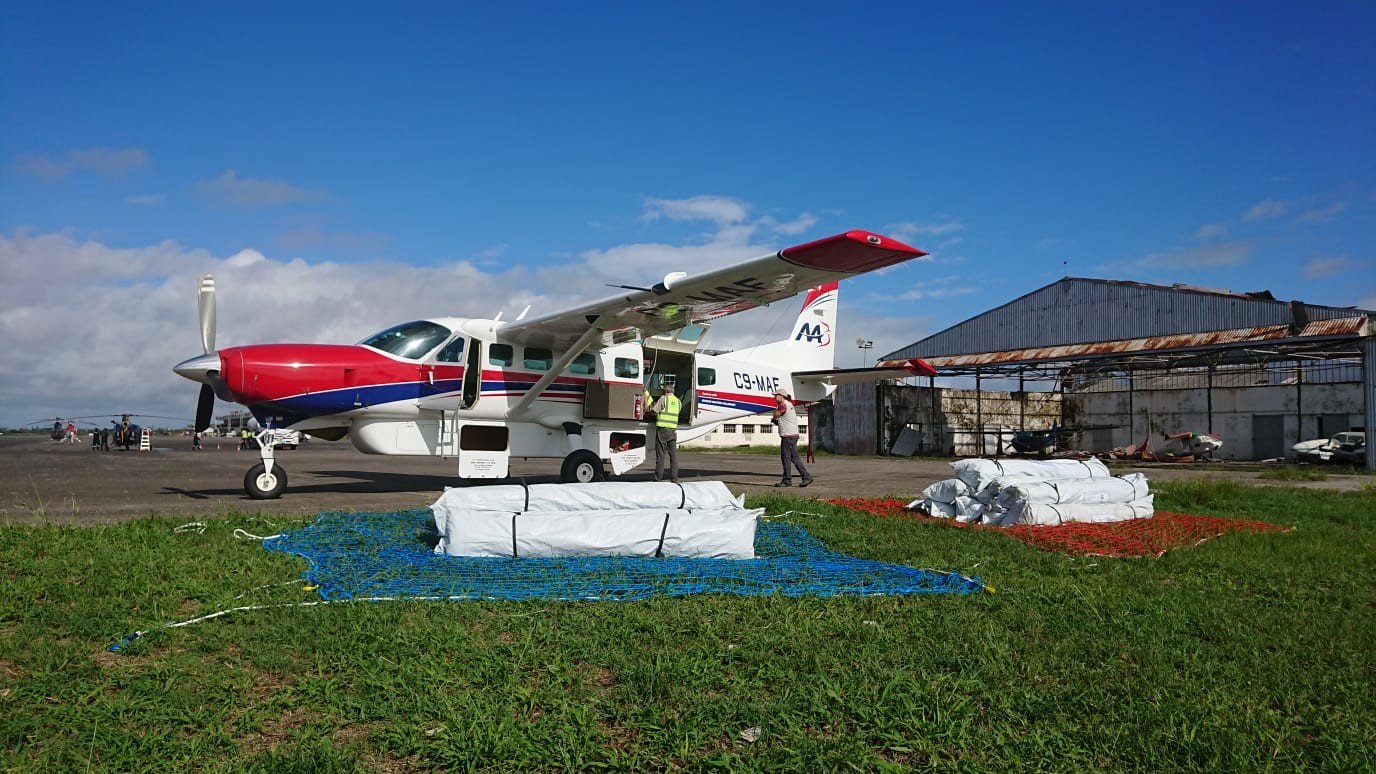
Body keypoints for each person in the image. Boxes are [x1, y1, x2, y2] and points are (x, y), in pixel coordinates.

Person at [772, 388, 813, 487]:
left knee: (789, 458)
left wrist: (774, 415)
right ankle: (790, 479)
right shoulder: (788, 405)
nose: (774, 397)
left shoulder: (783, 405)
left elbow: (776, 414)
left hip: (788, 436)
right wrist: (777, 421)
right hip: (791, 435)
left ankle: (802, 477)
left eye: (776, 395)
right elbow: (784, 420)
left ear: (782, 396)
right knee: (790, 458)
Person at [649, 380, 681, 482]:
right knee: (673, 455)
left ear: (666, 391)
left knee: (660, 456)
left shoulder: (663, 398)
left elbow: (654, 411)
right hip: (672, 431)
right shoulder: (678, 402)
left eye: (663, 391)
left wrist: (649, 411)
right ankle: (674, 478)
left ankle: (658, 478)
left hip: (662, 431)